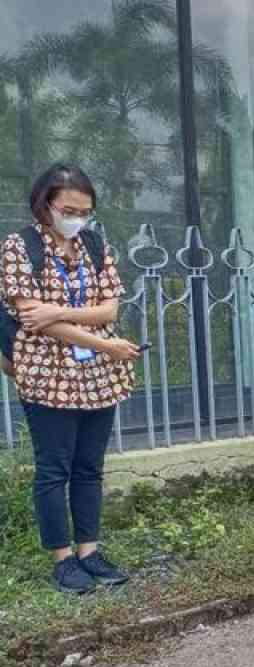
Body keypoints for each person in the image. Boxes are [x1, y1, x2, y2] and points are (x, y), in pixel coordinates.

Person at [0, 163, 141, 594]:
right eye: (69, 208)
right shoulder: (18, 247)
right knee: (53, 469)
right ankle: (63, 560)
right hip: (46, 374)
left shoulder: (95, 245)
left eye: (85, 210)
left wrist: (57, 310)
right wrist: (104, 343)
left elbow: (109, 311)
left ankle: (89, 552)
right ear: (46, 204)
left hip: (97, 375)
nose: (77, 217)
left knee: (89, 469)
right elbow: (30, 319)